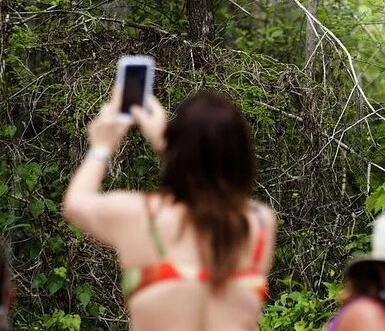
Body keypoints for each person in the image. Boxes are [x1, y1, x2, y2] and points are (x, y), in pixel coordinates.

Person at [62, 89, 276, 331]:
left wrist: (102, 146)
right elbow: (208, 181)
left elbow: (75, 204)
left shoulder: (142, 215)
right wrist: (169, 145)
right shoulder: (259, 224)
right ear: (243, 157)